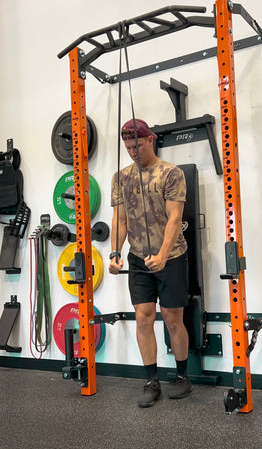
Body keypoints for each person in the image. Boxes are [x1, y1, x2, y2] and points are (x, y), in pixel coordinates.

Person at [109, 118, 192, 408]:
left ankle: (182, 376)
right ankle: (151, 381)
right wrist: (114, 253)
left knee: (172, 318)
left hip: (171, 257)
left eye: (137, 146)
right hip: (138, 257)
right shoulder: (120, 178)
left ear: (150, 141)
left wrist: (162, 254)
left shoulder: (171, 173)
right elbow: (120, 220)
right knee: (143, 317)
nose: (132, 152)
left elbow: (174, 218)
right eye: (128, 147)